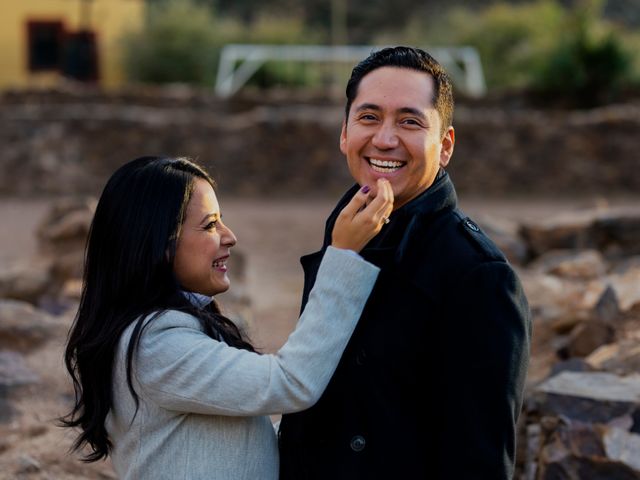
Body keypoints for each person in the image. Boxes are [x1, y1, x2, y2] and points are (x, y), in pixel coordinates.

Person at [278, 46, 531, 479]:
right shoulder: (344, 233)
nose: (384, 139)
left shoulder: (480, 277)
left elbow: (480, 464)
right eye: (369, 117)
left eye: (410, 121)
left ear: (445, 145)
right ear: (344, 133)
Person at [61, 156, 394, 479]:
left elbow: (237, 441)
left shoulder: (168, 329)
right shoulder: (155, 345)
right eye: (210, 224)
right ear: (159, 245)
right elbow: (291, 383)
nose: (229, 235)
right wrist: (344, 256)